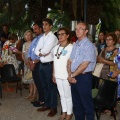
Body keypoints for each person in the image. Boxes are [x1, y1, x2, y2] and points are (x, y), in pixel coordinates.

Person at [67, 21, 96, 120]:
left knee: (86, 105)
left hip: (84, 78)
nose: (77, 30)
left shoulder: (89, 46)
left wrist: (72, 76)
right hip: (74, 76)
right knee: (77, 105)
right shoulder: (76, 44)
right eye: (76, 28)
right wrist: (70, 75)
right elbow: (69, 61)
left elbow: (84, 65)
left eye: (81, 28)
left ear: (86, 31)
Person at [35, 18, 58, 117]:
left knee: (51, 87)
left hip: (49, 65)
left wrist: (42, 52)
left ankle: (54, 107)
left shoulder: (52, 37)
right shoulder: (42, 37)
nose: (44, 26)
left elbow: (46, 50)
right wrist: (41, 53)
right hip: (42, 64)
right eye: (43, 24)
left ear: (51, 26)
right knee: (44, 86)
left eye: (46, 24)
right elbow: (37, 50)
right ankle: (47, 104)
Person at [52, 27, 73, 120]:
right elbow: (54, 61)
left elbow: (72, 63)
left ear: (67, 35)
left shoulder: (71, 47)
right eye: (58, 34)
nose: (60, 36)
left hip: (66, 76)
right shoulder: (55, 48)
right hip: (58, 75)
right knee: (61, 95)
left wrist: (70, 76)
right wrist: (53, 74)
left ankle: (69, 114)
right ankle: (64, 112)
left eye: (62, 34)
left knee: (68, 96)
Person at [28, 22, 44, 107]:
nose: (34, 31)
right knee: (37, 82)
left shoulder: (43, 39)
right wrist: (30, 61)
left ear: (41, 29)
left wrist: (34, 62)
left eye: (36, 29)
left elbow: (42, 53)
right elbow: (30, 52)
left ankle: (42, 100)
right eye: (33, 29)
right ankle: (40, 99)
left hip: (40, 64)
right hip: (33, 64)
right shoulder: (34, 40)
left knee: (41, 82)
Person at [22, 30, 37, 101]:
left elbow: (34, 54)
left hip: (32, 63)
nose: (27, 37)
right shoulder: (24, 44)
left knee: (33, 80)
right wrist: (25, 62)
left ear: (31, 36)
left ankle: (34, 94)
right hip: (26, 64)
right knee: (29, 80)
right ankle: (30, 94)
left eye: (29, 35)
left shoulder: (33, 43)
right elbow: (22, 54)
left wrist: (30, 62)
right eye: (26, 35)